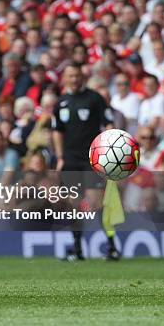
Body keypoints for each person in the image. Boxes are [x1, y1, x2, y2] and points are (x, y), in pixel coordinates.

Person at [51, 63, 118, 261]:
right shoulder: (61, 102)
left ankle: (112, 246)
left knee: (95, 203)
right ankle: (77, 249)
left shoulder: (94, 98)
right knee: (73, 206)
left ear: (82, 77)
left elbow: (108, 124)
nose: (74, 79)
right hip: (70, 160)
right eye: (70, 76)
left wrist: (108, 149)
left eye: (77, 75)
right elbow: (57, 131)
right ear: (65, 78)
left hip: (92, 159)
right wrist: (60, 157)